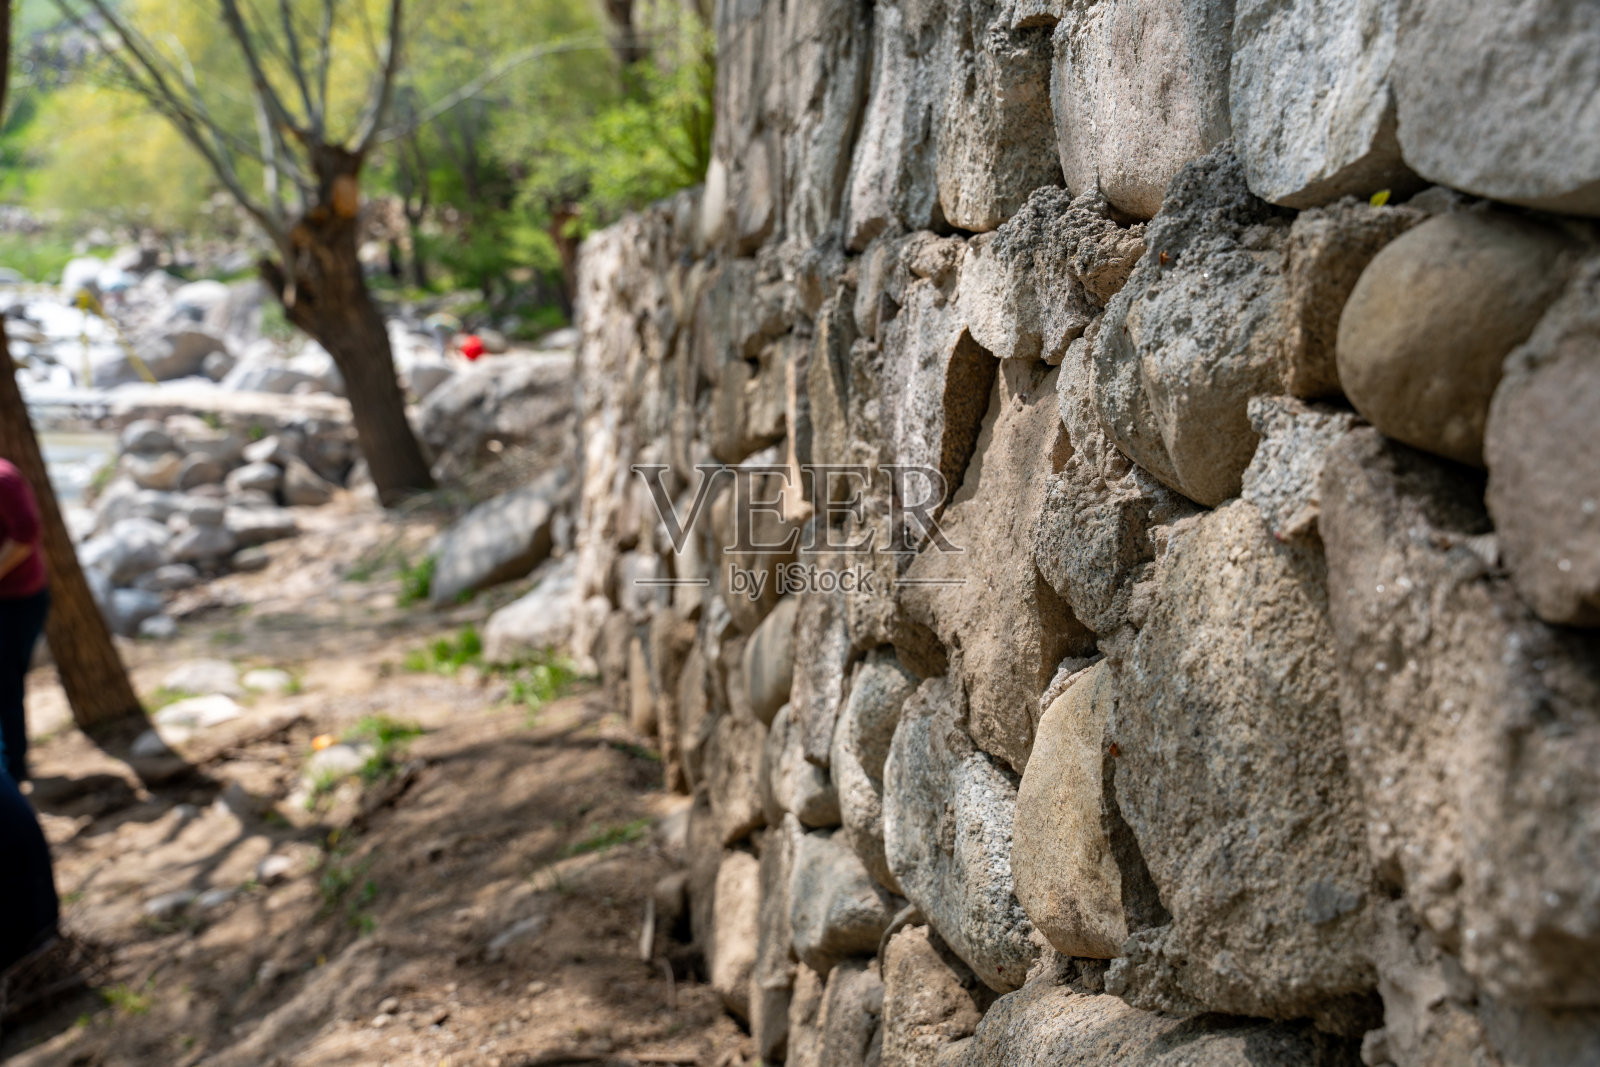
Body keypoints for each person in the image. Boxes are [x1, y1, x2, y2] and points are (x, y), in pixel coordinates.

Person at [0, 456, 50, 784]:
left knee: (4, 686)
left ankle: (13, 772)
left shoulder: (3, 478)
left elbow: (26, 534)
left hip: (14, 601)